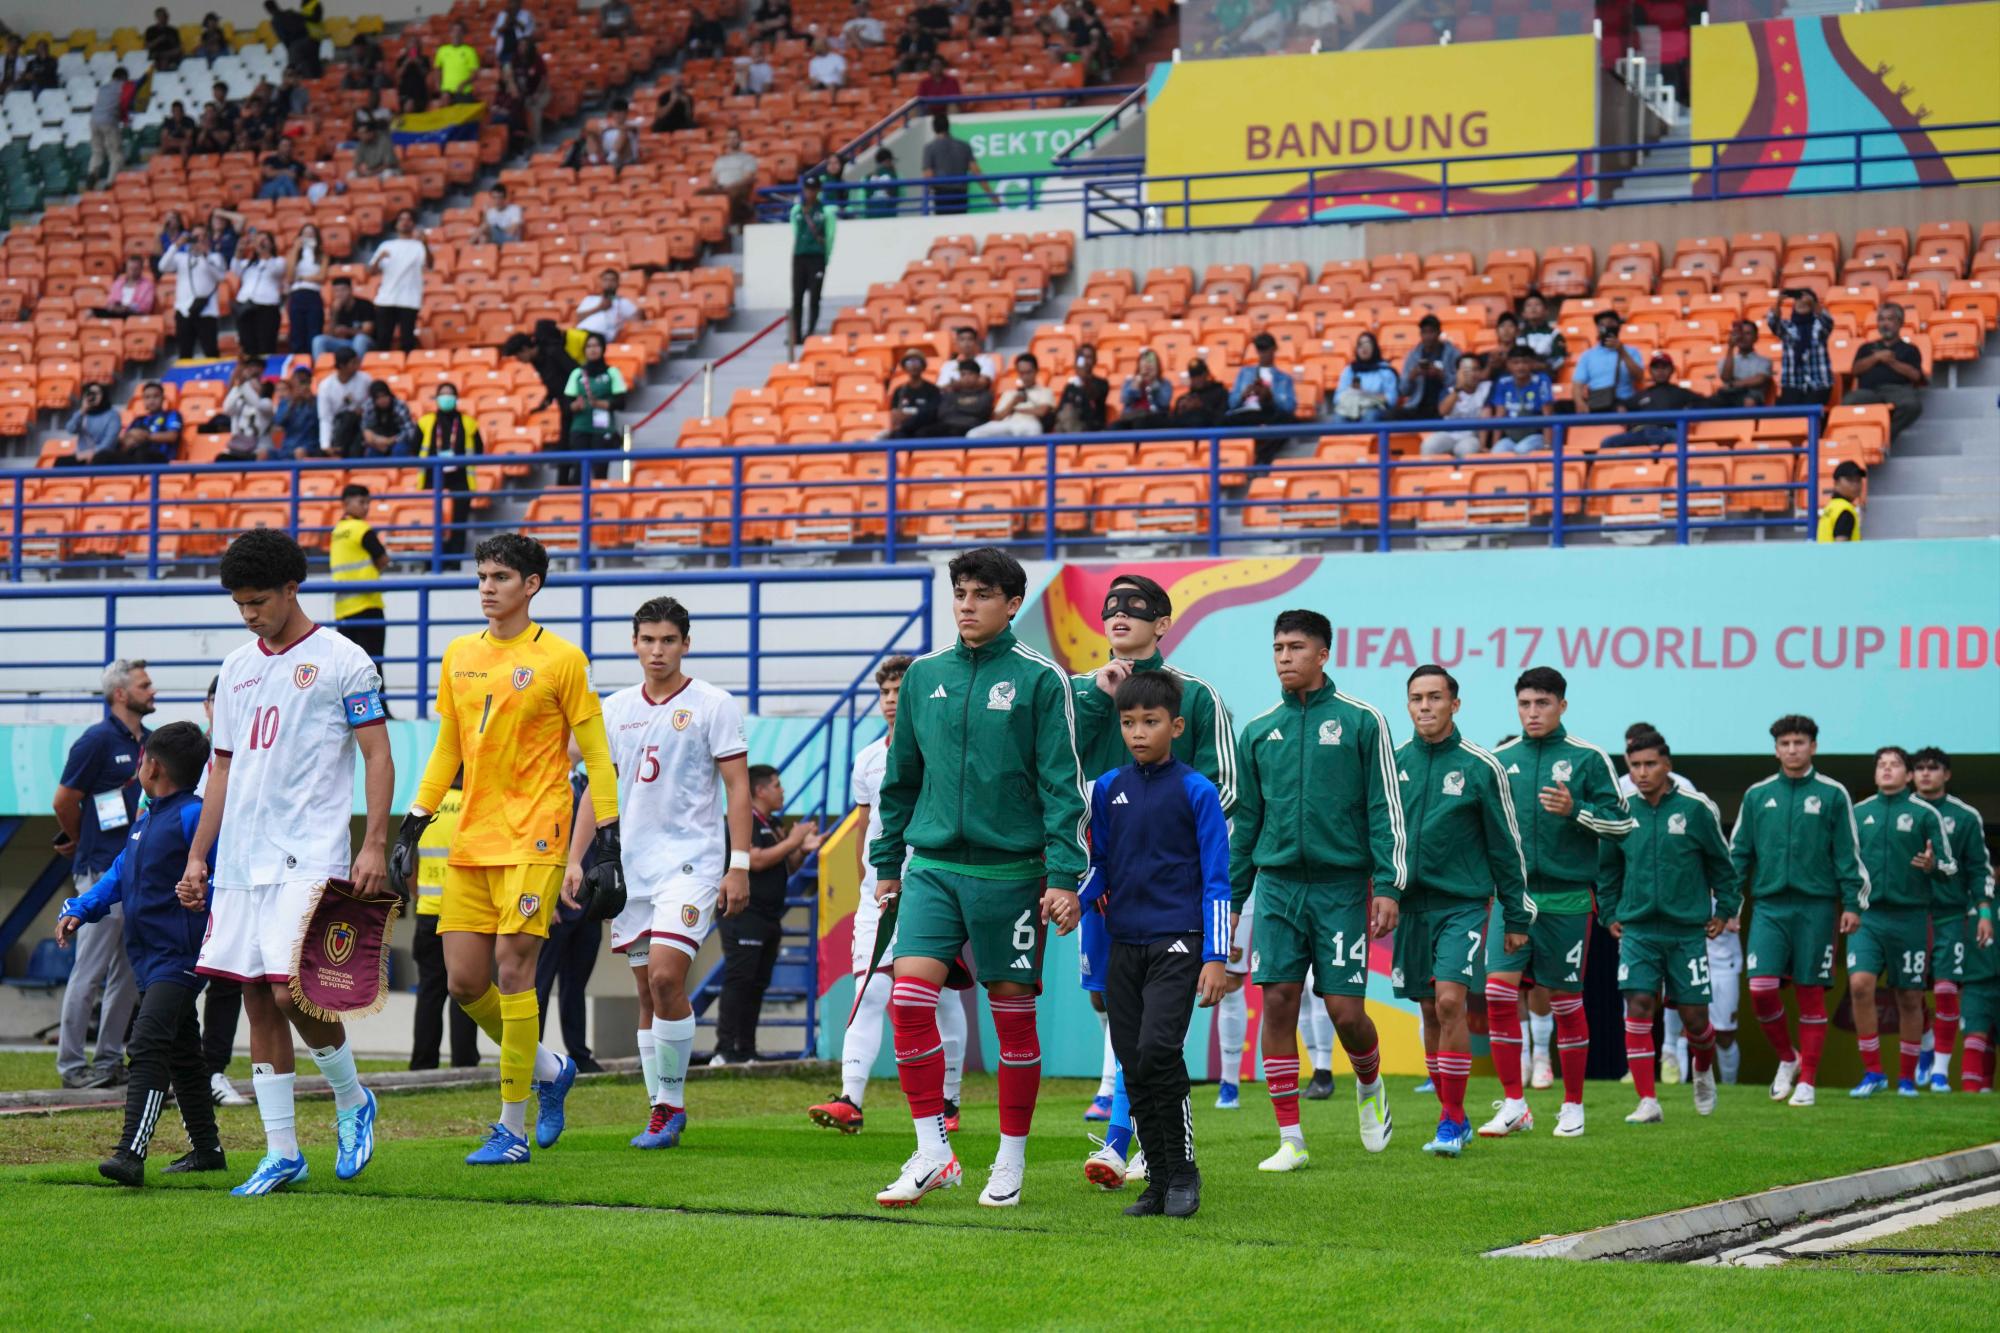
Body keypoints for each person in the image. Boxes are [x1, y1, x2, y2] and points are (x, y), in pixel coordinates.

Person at [868, 547, 1086, 1209]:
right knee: (908, 1002)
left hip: (1013, 874)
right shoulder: (925, 675)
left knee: (1012, 1022)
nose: (966, 604)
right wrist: (886, 865)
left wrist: (1064, 875)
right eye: (960, 592)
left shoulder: (1042, 680)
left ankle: (1010, 1161)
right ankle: (934, 1152)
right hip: (932, 868)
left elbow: (1063, 786)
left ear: (1012, 603)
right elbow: (900, 779)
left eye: (981, 594)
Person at [394, 533, 619, 1166]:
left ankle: (511, 1128)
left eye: (500, 576)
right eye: (482, 575)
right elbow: (448, 747)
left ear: (532, 585)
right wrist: (414, 820)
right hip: (472, 835)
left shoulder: (563, 660)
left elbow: (597, 754)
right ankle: (552, 1067)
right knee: (466, 983)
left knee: (515, 972)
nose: (487, 586)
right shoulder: (459, 654)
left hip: (537, 835)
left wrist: (608, 838)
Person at [179, 529, 392, 1197]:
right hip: (243, 858)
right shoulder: (238, 668)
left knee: (288, 987)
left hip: (309, 851)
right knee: (252, 994)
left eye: (259, 601)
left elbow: (377, 755)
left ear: (292, 587)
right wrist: (197, 855)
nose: (250, 614)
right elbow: (222, 767)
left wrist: (375, 842)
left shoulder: (344, 660)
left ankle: (353, 1099)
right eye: (240, 603)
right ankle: (281, 1150)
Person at [1070, 575, 1235, 1169]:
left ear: (1162, 624)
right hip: (1104, 885)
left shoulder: (1197, 696)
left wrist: (1196, 879)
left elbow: (1225, 792)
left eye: (1135, 607)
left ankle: (1127, 1142)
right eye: (1110, 606)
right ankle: (1139, 1137)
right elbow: (1060, 771)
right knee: (1110, 1009)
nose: (1119, 614)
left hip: (1170, 898)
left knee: (1154, 1031)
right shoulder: (1081, 693)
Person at [1229, 609, 1403, 1171]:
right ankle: (1291, 1140)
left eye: (1296, 647)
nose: (1284, 657)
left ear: (1323, 654)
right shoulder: (1257, 731)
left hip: (1340, 887)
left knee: (1345, 1011)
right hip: (1277, 887)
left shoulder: (1361, 721)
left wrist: (1389, 885)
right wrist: (1229, 905)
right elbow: (1246, 824)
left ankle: (1370, 1084)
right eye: (1277, 647)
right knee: (1276, 1001)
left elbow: (1384, 806)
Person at [574, 597, 751, 1143]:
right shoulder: (614, 708)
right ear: (634, 643)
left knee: (667, 976)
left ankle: (671, 1105)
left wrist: (738, 864)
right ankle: (658, 1107)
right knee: (648, 995)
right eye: (648, 640)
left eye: (668, 640)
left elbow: (738, 787)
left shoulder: (712, 704)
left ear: (685, 644)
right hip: (631, 874)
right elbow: (594, 793)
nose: (657, 650)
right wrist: (572, 861)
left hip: (690, 866)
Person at [57, 723, 226, 1185]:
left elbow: (224, 874)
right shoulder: (148, 817)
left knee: (147, 1043)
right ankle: (208, 1150)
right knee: (183, 1054)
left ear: (151, 765)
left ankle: (131, 1151)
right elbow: (118, 873)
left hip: (181, 957)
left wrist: (203, 895)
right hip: (149, 960)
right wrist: (81, 908)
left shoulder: (194, 816)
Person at [810, 657, 970, 1135]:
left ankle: (950, 1099)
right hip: (877, 890)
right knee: (872, 986)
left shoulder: (942, 749)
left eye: (901, 690)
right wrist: (868, 877)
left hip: (933, 884)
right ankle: (850, 1099)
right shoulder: (866, 759)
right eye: (885, 693)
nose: (892, 700)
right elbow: (865, 826)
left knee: (935, 997)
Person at [1480, 667, 1634, 1141]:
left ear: (1562, 706)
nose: (1533, 712)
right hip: (1514, 900)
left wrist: (1577, 811)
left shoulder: (1588, 759)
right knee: (1498, 995)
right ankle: (1514, 1104)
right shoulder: (1500, 759)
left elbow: (1623, 825)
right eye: (1525, 704)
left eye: (1542, 703)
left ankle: (1572, 1104)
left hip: (1567, 900)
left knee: (1566, 1002)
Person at [1392, 665, 1530, 1156]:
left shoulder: (1480, 766)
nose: (1424, 706)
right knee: (1429, 1009)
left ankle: (1450, 1122)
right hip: (1410, 908)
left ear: (1455, 703)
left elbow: (1505, 846)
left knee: (1450, 1001)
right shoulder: (1394, 763)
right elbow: (1380, 836)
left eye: (1434, 697)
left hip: (1463, 904)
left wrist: (1517, 915)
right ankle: (1455, 1114)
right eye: (1415, 698)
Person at [1597, 729, 1736, 1125]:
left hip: (1686, 932)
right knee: (1638, 1005)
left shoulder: (1696, 808)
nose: (1642, 772)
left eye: (1650, 764)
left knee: (1695, 1019)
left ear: (1667, 765)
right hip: (1638, 930)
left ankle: (1704, 1074)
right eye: (1635, 765)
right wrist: (1610, 912)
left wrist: (1724, 910)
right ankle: (1647, 1100)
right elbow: (1608, 868)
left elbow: (1721, 866)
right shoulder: (1620, 809)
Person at [1730, 714, 1866, 1109]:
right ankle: (1788, 1059)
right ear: (1776, 749)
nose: (1792, 749)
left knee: (1810, 993)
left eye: (1799, 743)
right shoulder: (1757, 795)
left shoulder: (1833, 794)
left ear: (1813, 747)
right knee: (1761, 989)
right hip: (1769, 906)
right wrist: (1731, 905)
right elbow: (1739, 854)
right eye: (1785, 743)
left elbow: (1847, 856)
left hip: (1817, 907)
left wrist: (1853, 904)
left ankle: (1808, 1081)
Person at [51, 660, 153, 1089]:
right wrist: (79, 840)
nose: (152, 690)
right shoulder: (95, 740)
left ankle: (109, 1062)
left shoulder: (149, 742)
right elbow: (63, 800)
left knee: (127, 975)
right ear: (120, 694)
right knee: (89, 971)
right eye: (144, 685)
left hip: (136, 873)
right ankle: (72, 1066)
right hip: (99, 871)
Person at [1848, 747, 1956, 1098]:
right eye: (1881, 765)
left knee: (1909, 996)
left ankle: (1907, 1078)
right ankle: (1873, 1072)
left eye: (1894, 765)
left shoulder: (1925, 813)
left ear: (1908, 775)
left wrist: (1933, 865)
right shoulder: (1859, 812)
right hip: (1868, 916)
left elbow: (1949, 867)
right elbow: (1843, 863)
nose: (1887, 770)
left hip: (1910, 917)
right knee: (1860, 985)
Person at [712, 767, 820, 1064]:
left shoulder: (772, 823)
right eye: (776, 785)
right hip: (743, 913)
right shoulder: (742, 820)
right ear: (760, 790)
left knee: (758, 983)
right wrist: (792, 841)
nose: (782, 791)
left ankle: (746, 1049)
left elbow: (785, 867)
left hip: (769, 916)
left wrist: (801, 850)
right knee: (740, 980)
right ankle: (725, 1050)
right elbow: (754, 860)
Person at [1910, 747, 1992, 1093]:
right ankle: (1927, 1043)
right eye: (1920, 768)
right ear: (1911, 774)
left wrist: (1984, 912)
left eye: (1934, 768)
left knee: (1945, 990)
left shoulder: (1965, 816)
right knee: (1910, 992)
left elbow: (1978, 869)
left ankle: (1941, 1071)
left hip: (1950, 914)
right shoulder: (1899, 809)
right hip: (1906, 914)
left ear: (1947, 774)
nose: (1926, 773)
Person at [410, 780, 481, 1070]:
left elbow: (408, 863)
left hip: (427, 912)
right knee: (465, 991)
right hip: (463, 914)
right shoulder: (473, 804)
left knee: (429, 991)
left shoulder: (426, 807)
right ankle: (464, 1062)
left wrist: (419, 895)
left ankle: (422, 1063)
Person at [330, 484, 391, 697]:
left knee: (348, 667)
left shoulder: (337, 531)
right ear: (346, 503)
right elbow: (383, 558)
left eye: (368, 503)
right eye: (361, 502)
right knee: (373, 663)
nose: (366, 507)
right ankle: (380, 708)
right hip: (368, 604)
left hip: (344, 609)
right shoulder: (361, 528)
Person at [415, 383, 481, 556]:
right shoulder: (425, 422)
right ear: (436, 398)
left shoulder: (468, 422)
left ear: (456, 398)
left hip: (460, 478)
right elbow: (414, 449)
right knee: (433, 521)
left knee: (458, 521)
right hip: (432, 478)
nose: (446, 398)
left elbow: (479, 450)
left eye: (450, 394)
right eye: (443, 394)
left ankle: (455, 558)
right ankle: (432, 559)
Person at [1844, 302, 1926, 437]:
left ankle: (1884, 437)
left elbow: (1916, 376)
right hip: (1869, 391)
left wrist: (1892, 361)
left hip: (1898, 390)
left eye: (1890, 319)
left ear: (1900, 323)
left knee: (1913, 405)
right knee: (1848, 402)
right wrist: (1876, 357)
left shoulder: (1910, 349)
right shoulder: (1866, 348)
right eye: (1881, 319)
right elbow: (1855, 370)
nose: (1885, 324)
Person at [1598, 355, 1706, 449]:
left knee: (1680, 440)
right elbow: (1622, 404)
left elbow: (1703, 402)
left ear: (1672, 370)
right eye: (1656, 368)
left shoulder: (1680, 392)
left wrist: (1689, 412)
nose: (1660, 371)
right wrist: (1620, 407)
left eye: (1664, 367)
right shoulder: (1642, 394)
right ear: (1650, 371)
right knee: (1608, 443)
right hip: (1640, 433)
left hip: (1666, 431)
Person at [563, 333, 627, 483]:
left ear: (603, 348)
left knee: (600, 470)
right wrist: (575, 406)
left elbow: (621, 402)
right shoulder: (577, 373)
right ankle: (579, 504)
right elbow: (566, 404)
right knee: (579, 471)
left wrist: (600, 404)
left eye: (596, 346)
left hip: (602, 428)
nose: (593, 350)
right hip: (580, 428)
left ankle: (600, 504)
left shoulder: (612, 373)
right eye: (589, 346)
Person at [1226, 332, 1299, 460]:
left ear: (1274, 349)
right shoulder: (1245, 372)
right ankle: (1257, 455)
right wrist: (1243, 396)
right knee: (1222, 419)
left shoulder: (1284, 378)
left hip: (1270, 413)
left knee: (1288, 421)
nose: (1263, 353)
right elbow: (1232, 403)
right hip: (1247, 412)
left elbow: (1289, 407)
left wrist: (1270, 397)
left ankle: (1258, 456)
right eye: (1260, 349)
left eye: (1265, 349)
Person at [160, 228, 226, 360]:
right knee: (185, 351)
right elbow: (163, 266)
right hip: (184, 310)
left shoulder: (215, 257)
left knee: (211, 350)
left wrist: (204, 254)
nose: (200, 239)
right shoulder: (181, 258)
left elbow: (220, 276)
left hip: (207, 311)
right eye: (196, 236)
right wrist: (177, 245)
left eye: (204, 236)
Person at [368, 211, 429, 353]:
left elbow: (429, 265)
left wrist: (425, 244)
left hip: (409, 299)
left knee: (407, 340)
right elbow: (371, 271)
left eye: (408, 219)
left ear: (413, 224)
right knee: (383, 338)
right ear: (396, 224)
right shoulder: (386, 245)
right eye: (401, 219)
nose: (404, 222)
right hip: (386, 298)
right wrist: (379, 259)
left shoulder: (418, 246)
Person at [788, 177, 836, 351]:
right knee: (797, 297)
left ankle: (810, 331)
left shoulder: (826, 212)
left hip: (817, 257)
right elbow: (795, 231)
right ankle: (796, 334)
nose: (810, 192)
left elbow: (830, 236)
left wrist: (826, 258)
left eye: (813, 189)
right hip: (800, 256)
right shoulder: (797, 210)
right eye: (808, 189)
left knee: (814, 295)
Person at [1768, 289, 1835, 406]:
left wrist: (1813, 303)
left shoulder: (1819, 326)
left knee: (1808, 408)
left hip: (1819, 384)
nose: (1801, 303)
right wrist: (1778, 303)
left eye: (1805, 301)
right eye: (1798, 300)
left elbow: (1828, 320)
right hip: (1792, 384)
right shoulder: (1787, 327)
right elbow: (1773, 322)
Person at [921, 115, 996, 215]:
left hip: (942, 195)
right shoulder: (963, 146)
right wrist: (991, 195)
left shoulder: (930, 148)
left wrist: (926, 199)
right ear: (948, 126)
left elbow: (928, 175)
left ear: (934, 128)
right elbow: (976, 172)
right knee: (960, 227)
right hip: (961, 194)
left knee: (944, 228)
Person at [1488, 344, 1555, 455]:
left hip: (1535, 435)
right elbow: (1499, 416)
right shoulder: (1503, 382)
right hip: (1511, 438)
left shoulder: (1541, 381)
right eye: (1516, 363)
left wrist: (1547, 446)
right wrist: (1495, 444)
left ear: (1532, 364)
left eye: (1525, 362)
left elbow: (1547, 415)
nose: (1520, 367)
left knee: (1521, 450)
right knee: (1497, 452)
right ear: (1508, 364)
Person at [1419, 358, 1493, 458]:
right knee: (1429, 446)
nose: (1472, 374)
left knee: (1466, 450)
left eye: (1476, 370)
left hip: (1470, 436)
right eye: (1466, 371)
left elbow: (1486, 415)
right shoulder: (1449, 390)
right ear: (1458, 373)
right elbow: (1443, 411)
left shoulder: (1487, 388)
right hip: (1448, 434)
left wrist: (1483, 444)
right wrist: (1458, 388)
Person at [968, 353, 1054, 438]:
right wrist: (1013, 402)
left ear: (1036, 371)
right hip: (1006, 424)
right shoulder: (1009, 393)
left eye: (1028, 372)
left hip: (1029, 422)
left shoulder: (1045, 391)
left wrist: (1017, 410)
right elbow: (998, 417)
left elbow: (1042, 411)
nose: (1025, 377)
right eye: (1022, 373)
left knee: (1033, 430)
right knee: (973, 434)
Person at [231, 230, 287, 358]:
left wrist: (264, 252)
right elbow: (235, 269)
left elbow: (276, 271)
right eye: (259, 240)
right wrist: (239, 250)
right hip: (245, 306)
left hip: (266, 307)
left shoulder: (278, 261)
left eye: (265, 240)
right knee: (248, 345)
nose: (261, 243)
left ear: (272, 244)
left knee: (266, 345)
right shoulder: (248, 264)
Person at [1396, 315, 1461, 420]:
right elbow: (1403, 390)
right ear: (1420, 334)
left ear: (1439, 333)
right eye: (1424, 332)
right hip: (1417, 407)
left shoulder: (1453, 353)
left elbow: (1460, 384)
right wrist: (1411, 377)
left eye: (1431, 332)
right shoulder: (1413, 355)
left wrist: (1442, 375)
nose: (1428, 336)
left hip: (1443, 407)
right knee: (1388, 416)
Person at [317, 346, 374, 454]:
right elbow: (325, 418)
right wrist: (325, 445)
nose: (358, 365)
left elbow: (372, 404)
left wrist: (362, 410)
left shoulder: (365, 379)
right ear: (342, 366)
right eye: (353, 363)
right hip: (339, 427)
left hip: (362, 424)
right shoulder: (325, 386)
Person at [1334, 332, 1399, 422]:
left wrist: (1367, 395)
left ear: (1374, 348)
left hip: (1376, 409)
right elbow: (1337, 398)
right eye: (1360, 345)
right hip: (1351, 408)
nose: (1364, 348)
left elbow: (1391, 399)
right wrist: (1353, 394)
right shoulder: (1350, 370)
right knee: (1338, 417)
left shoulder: (1385, 370)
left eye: (1368, 344)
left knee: (1369, 415)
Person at [283, 223, 326, 354]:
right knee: (297, 331)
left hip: (313, 294)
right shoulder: (293, 254)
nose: (308, 236)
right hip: (297, 295)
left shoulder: (322, 255)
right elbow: (290, 277)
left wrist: (302, 278)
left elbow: (322, 277)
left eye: (311, 233)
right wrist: (296, 249)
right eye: (305, 233)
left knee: (314, 331)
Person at [1710, 320, 1773, 409]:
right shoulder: (1726, 360)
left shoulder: (1764, 361)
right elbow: (1726, 378)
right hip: (1729, 395)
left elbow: (1759, 379)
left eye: (1747, 334)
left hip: (1751, 396)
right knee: (1710, 403)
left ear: (1756, 338)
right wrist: (1730, 348)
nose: (1743, 337)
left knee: (1749, 402)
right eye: (1740, 334)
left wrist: (1733, 384)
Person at [221, 359, 275, 460]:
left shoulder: (267, 404)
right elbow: (226, 409)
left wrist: (243, 383)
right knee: (221, 459)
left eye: (256, 384)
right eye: (250, 385)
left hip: (258, 449)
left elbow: (256, 403)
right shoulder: (240, 402)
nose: (252, 386)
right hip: (238, 447)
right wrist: (238, 387)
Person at [313, 276, 376, 361]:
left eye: (343, 290)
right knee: (319, 340)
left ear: (350, 290)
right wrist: (335, 313)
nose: (339, 294)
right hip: (345, 343)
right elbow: (330, 334)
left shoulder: (364, 304)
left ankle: (356, 370)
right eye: (336, 291)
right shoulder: (335, 307)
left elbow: (368, 331)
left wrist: (347, 330)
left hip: (366, 342)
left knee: (360, 339)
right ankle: (321, 369)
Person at [88, 67, 131, 187]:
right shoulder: (123, 87)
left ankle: (92, 172)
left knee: (97, 151)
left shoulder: (103, 88)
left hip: (94, 120)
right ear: (123, 77)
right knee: (115, 153)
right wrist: (125, 118)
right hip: (109, 121)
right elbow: (124, 104)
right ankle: (111, 182)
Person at [61, 383, 125, 464]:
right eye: (90, 393)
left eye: (97, 393)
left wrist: (91, 453)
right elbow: (70, 429)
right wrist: (82, 411)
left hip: (101, 456)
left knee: (99, 459)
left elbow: (109, 443)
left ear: (103, 396)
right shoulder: (82, 413)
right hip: (81, 456)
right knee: (60, 462)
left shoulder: (113, 415)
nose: (93, 396)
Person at [711, 128, 762, 226]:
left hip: (738, 189)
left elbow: (748, 178)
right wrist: (716, 186)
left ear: (740, 139)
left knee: (731, 195)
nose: (732, 140)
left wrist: (729, 187)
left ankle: (729, 226)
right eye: (729, 138)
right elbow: (713, 179)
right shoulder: (720, 160)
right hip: (720, 188)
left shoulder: (748, 158)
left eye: (734, 137)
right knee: (700, 194)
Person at [928, 360, 994, 436]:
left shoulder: (986, 394)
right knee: (923, 432)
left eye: (970, 374)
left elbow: (980, 411)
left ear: (978, 376)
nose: (967, 378)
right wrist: (967, 408)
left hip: (973, 427)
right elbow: (942, 413)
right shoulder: (951, 394)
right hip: (947, 425)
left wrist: (956, 407)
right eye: (963, 375)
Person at [885, 350, 941, 438]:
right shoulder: (899, 390)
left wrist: (907, 415)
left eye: (917, 362)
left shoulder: (933, 390)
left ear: (923, 366)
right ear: (904, 367)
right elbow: (895, 414)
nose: (913, 366)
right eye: (909, 362)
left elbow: (931, 414)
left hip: (924, 430)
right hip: (904, 431)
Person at [575, 268, 639, 344]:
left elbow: (637, 321)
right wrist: (599, 307)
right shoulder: (590, 299)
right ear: (601, 282)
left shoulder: (623, 302)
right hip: (580, 333)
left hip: (601, 338)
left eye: (612, 280)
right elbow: (578, 318)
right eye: (606, 280)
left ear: (618, 283)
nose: (609, 283)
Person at [1054, 345, 1109, 433]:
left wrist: (1083, 380)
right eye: (1082, 358)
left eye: (1089, 357)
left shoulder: (1102, 383)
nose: (1086, 361)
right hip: (1069, 423)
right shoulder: (1070, 386)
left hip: (1091, 425)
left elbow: (1094, 398)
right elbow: (1061, 409)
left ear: (1095, 361)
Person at [126, 381, 184, 465]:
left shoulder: (172, 415)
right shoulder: (138, 420)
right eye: (147, 397)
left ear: (163, 398)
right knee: (105, 455)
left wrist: (145, 436)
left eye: (156, 396)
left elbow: (172, 436)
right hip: (135, 454)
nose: (151, 400)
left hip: (162, 459)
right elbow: (127, 439)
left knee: (141, 453)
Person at [271, 367, 320, 459]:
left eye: (303, 382)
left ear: (309, 383)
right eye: (298, 382)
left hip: (309, 446)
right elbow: (279, 422)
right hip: (287, 446)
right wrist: (292, 404)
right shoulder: (286, 402)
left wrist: (310, 402)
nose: (300, 386)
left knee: (299, 452)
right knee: (263, 453)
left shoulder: (317, 402)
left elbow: (319, 423)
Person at [1518, 291, 1566, 378]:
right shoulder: (1519, 335)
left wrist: (1542, 366)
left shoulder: (1554, 334)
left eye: (1537, 304)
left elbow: (1559, 358)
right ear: (1523, 314)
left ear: (1546, 311)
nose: (1533, 308)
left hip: (1547, 376)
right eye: (1529, 305)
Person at [1118, 350, 1172, 427]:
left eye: (1151, 363)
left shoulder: (1164, 383)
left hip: (1154, 419)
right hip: (1131, 418)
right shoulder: (1130, 382)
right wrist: (1136, 384)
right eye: (1144, 363)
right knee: (1114, 428)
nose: (1147, 366)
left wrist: (1153, 383)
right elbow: (1125, 399)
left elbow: (1164, 402)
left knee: (1140, 423)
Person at [1817, 460, 1865, 543]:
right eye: (1850, 480)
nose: (1856, 485)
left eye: (1858, 480)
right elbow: (1841, 548)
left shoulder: (1830, 507)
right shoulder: (1845, 511)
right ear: (1836, 483)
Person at [435, 21, 480, 103]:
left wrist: (464, 83)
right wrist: (438, 85)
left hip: (464, 92)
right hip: (447, 94)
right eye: (454, 31)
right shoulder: (442, 50)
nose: (456, 34)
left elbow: (475, 74)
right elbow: (437, 69)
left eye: (459, 31)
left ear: (463, 34)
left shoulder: (470, 51)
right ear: (450, 33)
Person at [395, 36, 430, 115]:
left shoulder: (424, 59)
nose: (413, 45)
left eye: (415, 43)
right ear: (407, 46)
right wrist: (406, 63)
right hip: (405, 93)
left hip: (420, 94)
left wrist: (418, 62)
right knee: (408, 104)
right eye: (411, 43)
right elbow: (398, 75)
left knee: (410, 105)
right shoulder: (401, 60)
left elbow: (425, 73)